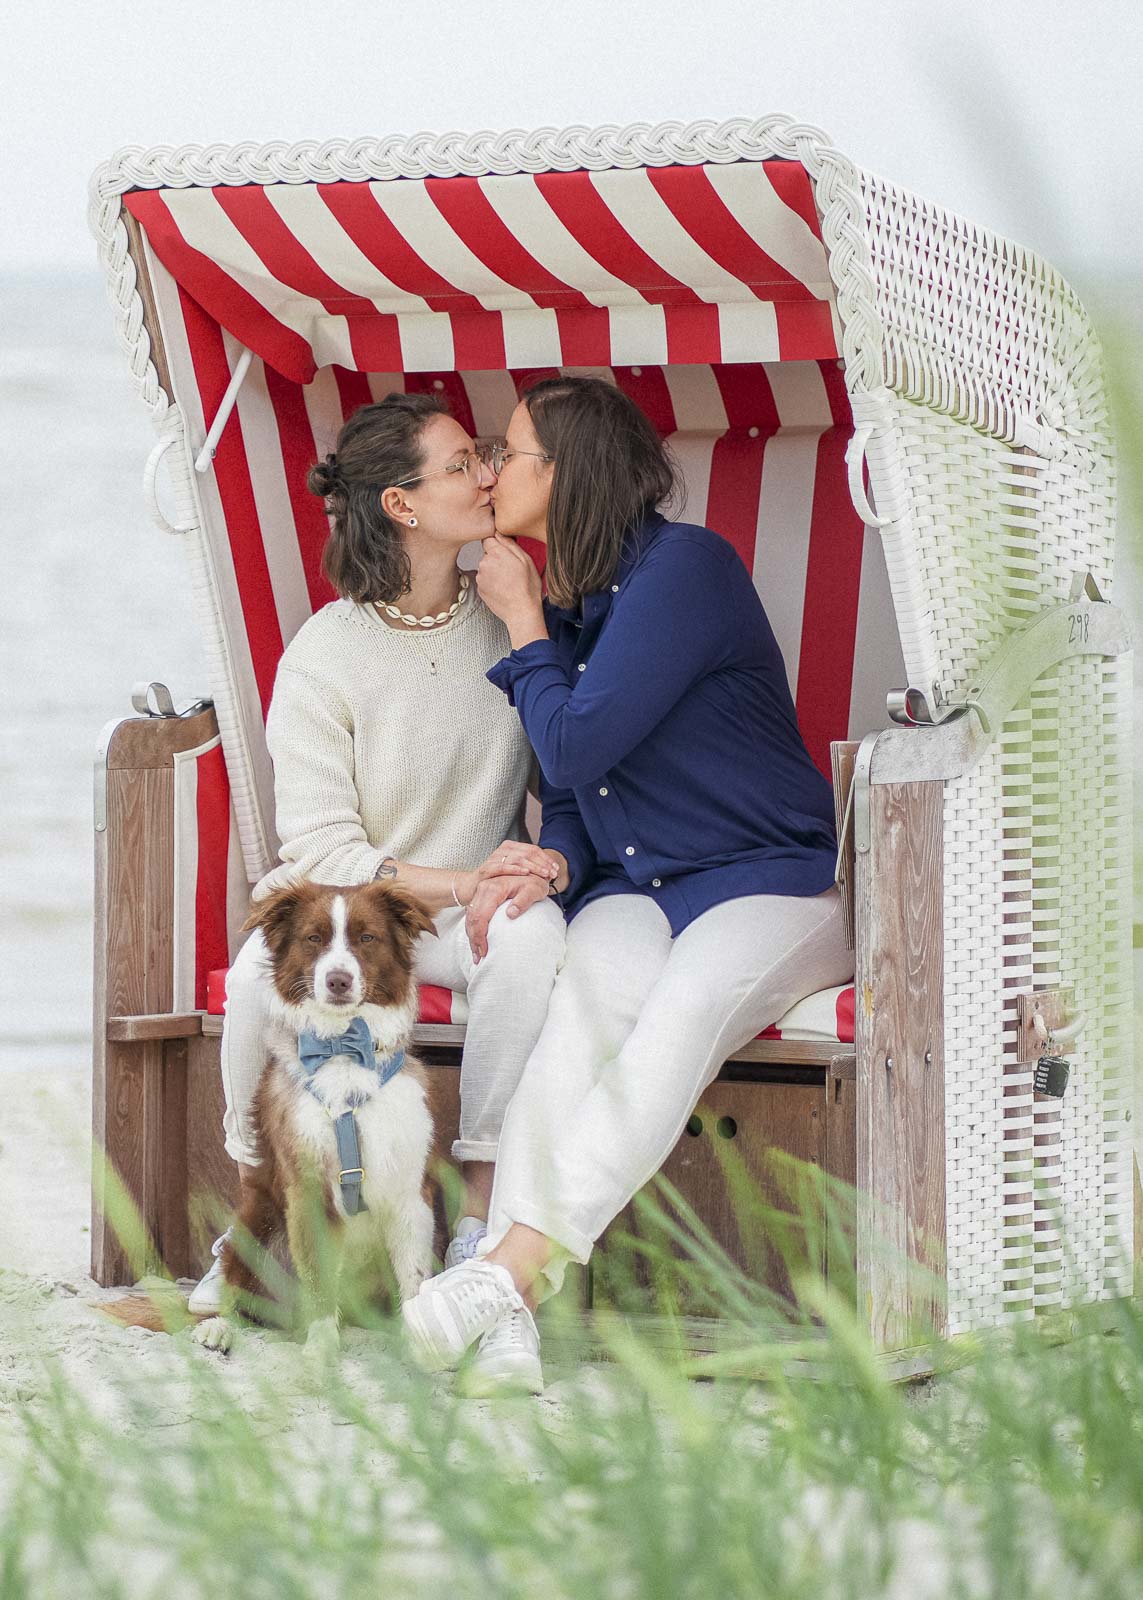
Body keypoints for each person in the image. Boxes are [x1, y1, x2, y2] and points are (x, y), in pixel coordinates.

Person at [401, 376, 855, 1395]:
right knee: (580, 1017)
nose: (493, 469)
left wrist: (519, 618)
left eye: (507, 453)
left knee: (680, 1015)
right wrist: (555, 855)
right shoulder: (575, 603)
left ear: (560, 474)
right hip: (641, 887)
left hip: (770, 882)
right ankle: (511, 1323)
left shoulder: (685, 570)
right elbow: (578, 787)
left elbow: (578, 738)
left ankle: (504, 1271)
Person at [188, 392, 567, 1329]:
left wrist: (519, 876)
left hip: (467, 918)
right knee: (249, 979)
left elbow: (570, 763)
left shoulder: (514, 616)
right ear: (400, 505)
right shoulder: (326, 652)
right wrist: (462, 881)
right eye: (458, 466)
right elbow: (320, 849)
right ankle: (253, 1215)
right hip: (358, 920)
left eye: (486, 456)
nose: (486, 475)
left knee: (528, 938)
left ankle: (472, 1221)